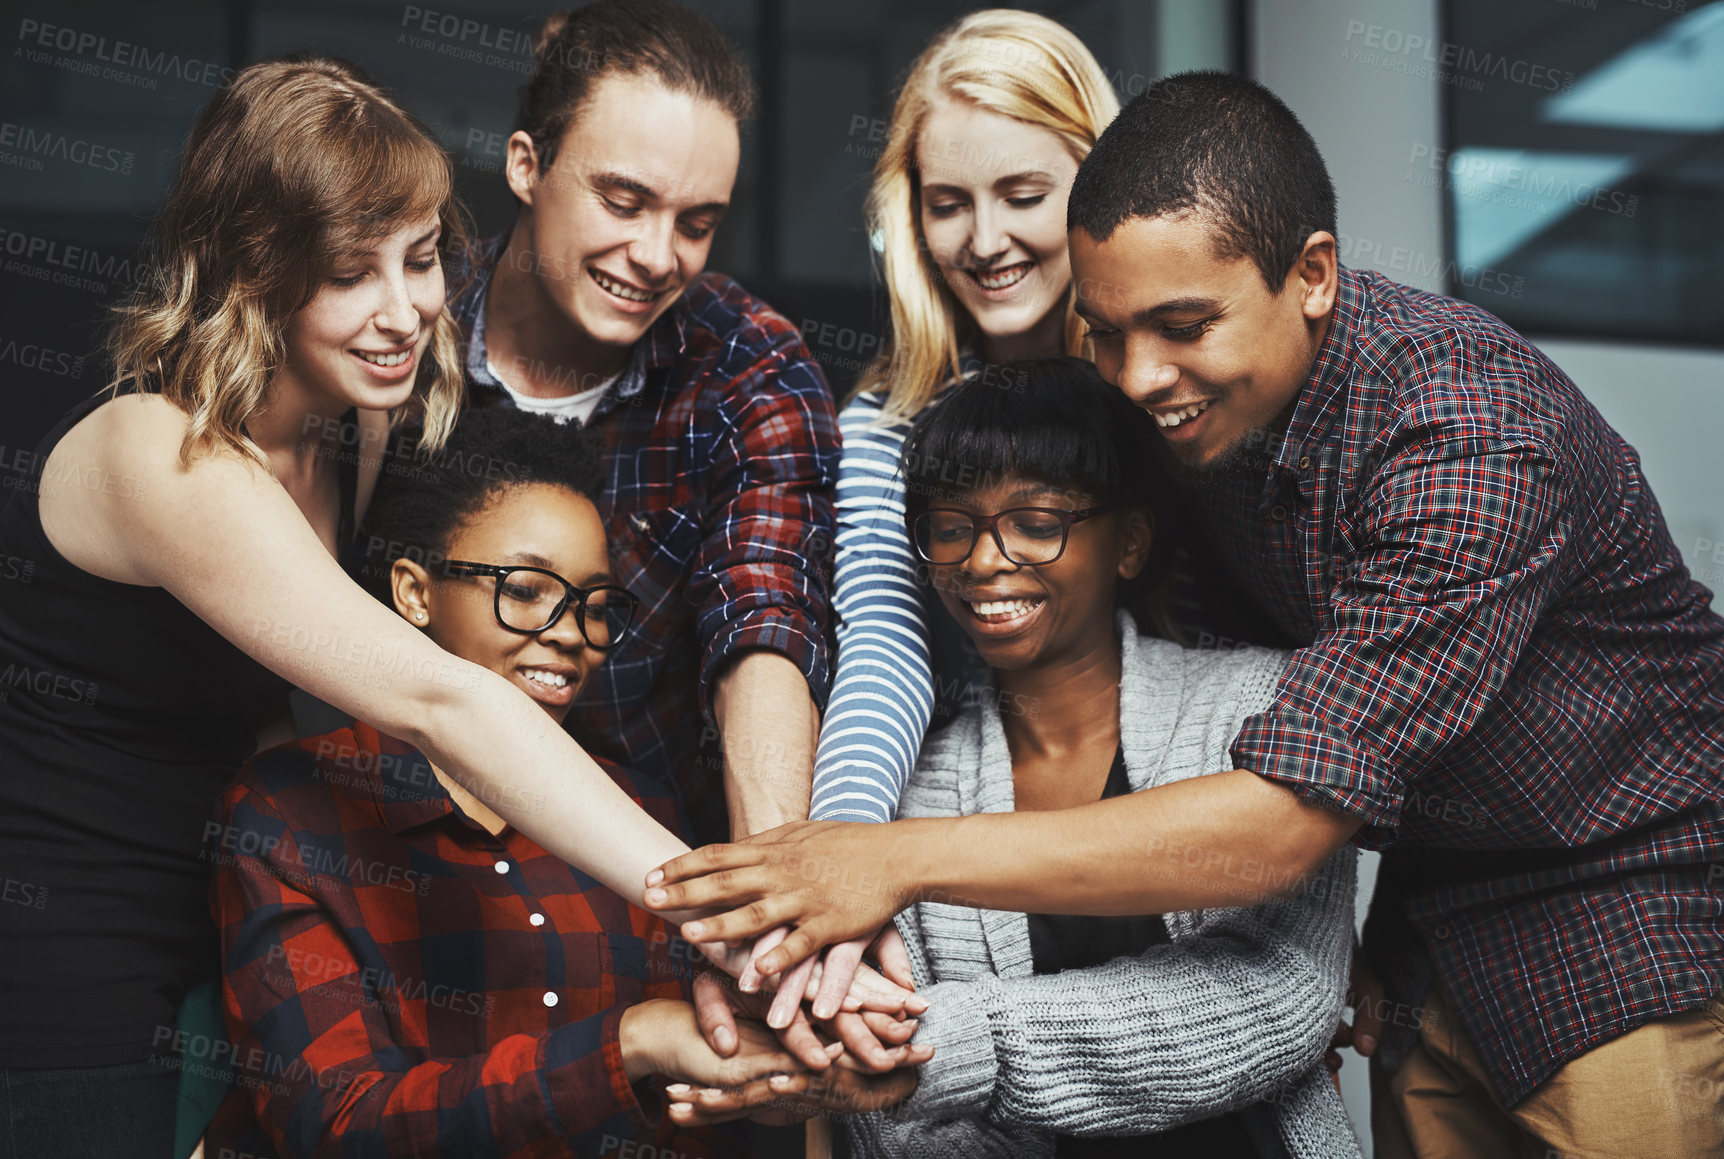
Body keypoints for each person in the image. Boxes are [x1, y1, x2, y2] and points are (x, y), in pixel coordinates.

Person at [644, 71, 1724, 1159]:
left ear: (1310, 275)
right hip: (1428, 931)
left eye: (1179, 326)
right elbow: (896, 644)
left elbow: (1277, 823)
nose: (1138, 377)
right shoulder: (1204, 416)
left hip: (1615, 916)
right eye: (1104, 333)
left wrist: (888, 859)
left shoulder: (1465, 436)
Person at [0, 53, 868, 1158]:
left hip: (226, 883)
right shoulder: (159, 453)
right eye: (351, 273)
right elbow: (438, 697)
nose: (407, 311)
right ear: (253, 275)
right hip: (62, 917)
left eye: (419, 262)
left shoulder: (355, 423)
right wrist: (727, 912)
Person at [202, 408, 918, 1158]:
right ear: (414, 593)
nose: (572, 632)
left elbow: (698, 1097)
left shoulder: (638, 811)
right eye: (528, 588)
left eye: (596, 604)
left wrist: (789, 1074)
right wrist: (631, 1041)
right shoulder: (288, 812)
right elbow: (339, 1127)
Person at [828, 360, 1354, 1157]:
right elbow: (892, 1121)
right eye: (949, 525)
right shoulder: (912, 792)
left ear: (1132, 541)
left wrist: (966, 1043)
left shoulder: (1259, 709)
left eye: (1037, 522)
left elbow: (1284, 998)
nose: (980, 561)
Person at [443, 0, 838, 855]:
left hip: (655, 871)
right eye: (624, 202)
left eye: (696, 223)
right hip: (406, 851)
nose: (660, 256)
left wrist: (771, 886)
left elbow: (764, 614)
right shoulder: (405, 327)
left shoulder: (751, 363)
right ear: (525, 164)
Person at [798, 7, 1123, 1016]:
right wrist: (837, 868)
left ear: (1100, 186)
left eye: (1023, 195)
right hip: (981, 834)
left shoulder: (1163, 383)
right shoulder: (890, 418)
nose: (984, 242)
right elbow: (885, 648)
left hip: (1171, 811)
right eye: (947, 203)